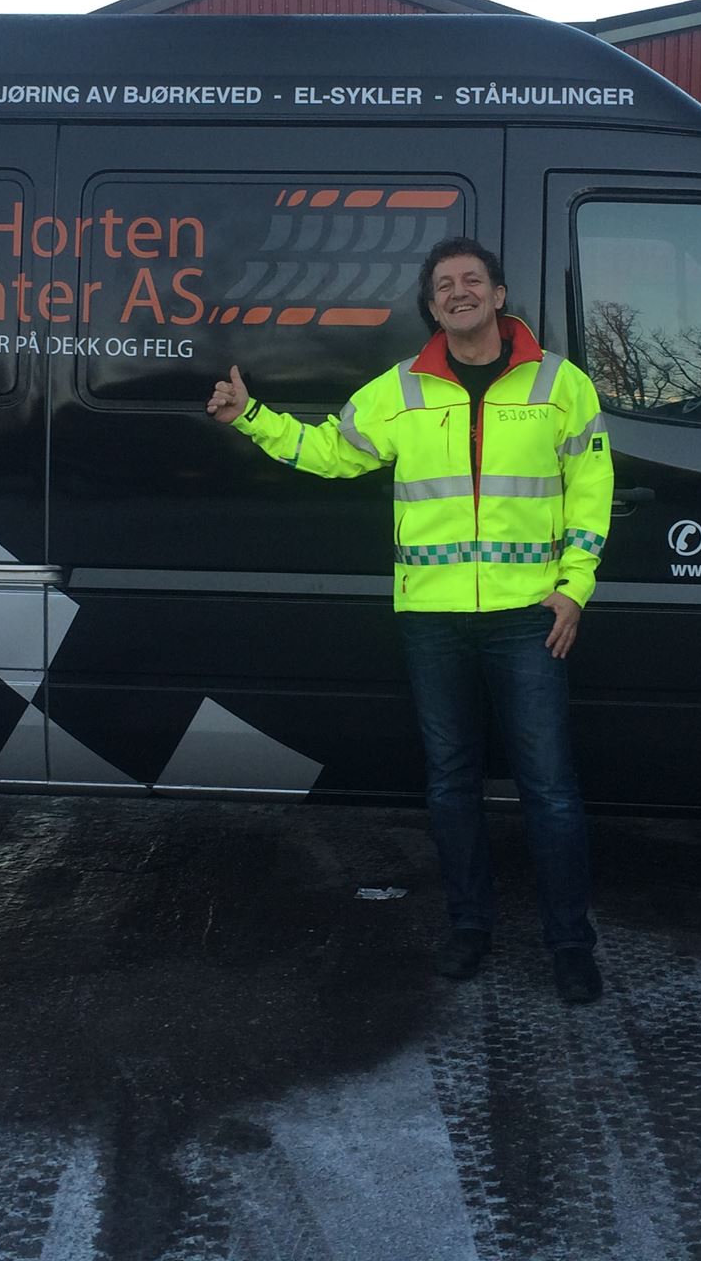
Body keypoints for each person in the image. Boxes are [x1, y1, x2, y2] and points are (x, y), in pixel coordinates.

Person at [207, 237, 613, 1003]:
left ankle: (569, 944)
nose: (459, 292)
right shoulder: (401, 389)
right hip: (432, 619)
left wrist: (575, 588)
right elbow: (331, 452)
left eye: (472, 280)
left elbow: (591, 491)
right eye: (443, 285)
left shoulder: (562, 385)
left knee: (551, 789)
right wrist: (252, 416)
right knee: (451, 786)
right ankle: (469, 927)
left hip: (530, 617)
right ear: (432, 306)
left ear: (499, 295)